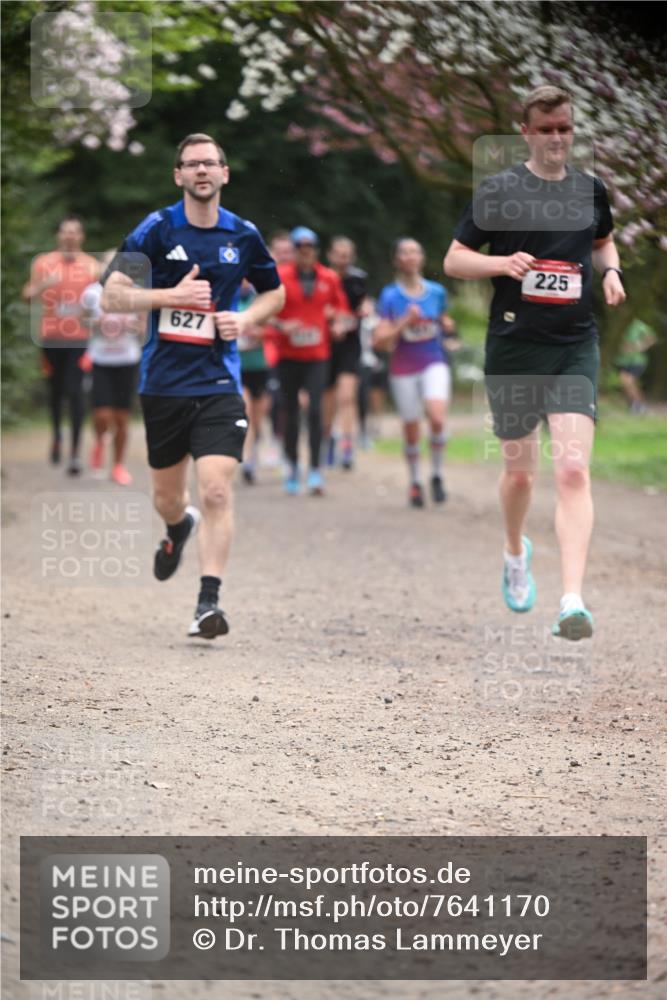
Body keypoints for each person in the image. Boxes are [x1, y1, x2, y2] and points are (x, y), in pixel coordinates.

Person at [444, 84, 626, 641]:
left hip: (575, 343)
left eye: (564, 128)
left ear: (573, 131)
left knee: (572, 470)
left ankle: (572, 599)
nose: (555, 138)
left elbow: (603, 242)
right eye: (545, 129)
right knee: (521, 474)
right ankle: (514, 549)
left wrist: (612, 271)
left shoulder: (590, 190)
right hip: (515, 346)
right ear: (525, 133)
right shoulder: (499, 191)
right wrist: (500, 264)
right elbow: (453, 260)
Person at [102, 133, 284, 638]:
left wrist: (245, 320)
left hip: (220, 381)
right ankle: (177, 526)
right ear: (178, 176)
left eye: (210, 163)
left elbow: (275, 293)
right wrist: (170, 295)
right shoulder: (157, 229)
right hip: (163, 383)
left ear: (225, 173)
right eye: (191, 164)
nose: (202, 171)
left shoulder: (243, 235)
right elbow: (112, 297)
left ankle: (208, 602)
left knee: (217, 490)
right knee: (167, 497)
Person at [267, 226, 351, 496]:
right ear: (293, 251)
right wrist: (281, 326)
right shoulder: (278, 277)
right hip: (288, 356)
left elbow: (342, 310)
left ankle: (315, 470)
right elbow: (264, 312)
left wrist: (337, 322)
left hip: (317, 355)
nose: (305, 254)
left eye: (310, 249)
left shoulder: (329, 277)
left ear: (315, 251)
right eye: (300, 250)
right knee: (290, 412)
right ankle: (292, 466)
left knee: (315, 411)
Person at [374, 238, 457, 508]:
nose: (410, 257)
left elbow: (445, 325)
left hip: (434, 361)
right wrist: (403, 323)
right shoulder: (390, 296)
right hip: (403, 367)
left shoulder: (437, 292)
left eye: (414, 252)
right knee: (411, 429)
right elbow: (380, 341)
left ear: (421, 258)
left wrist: (447, 326)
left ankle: (436, 474)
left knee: (436, 417)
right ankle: (414, 482)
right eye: (404, 253)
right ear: (397, 260)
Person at [22, 216, 99, 474]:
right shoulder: (44, 263)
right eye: (65, 232)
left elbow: (102, 301)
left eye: (75, 232)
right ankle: (57, 436)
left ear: (81, 237)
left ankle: (75, 453)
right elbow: (27, 297)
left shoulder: (91, 267)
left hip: (80, 339)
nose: (69, 236)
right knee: (55, 393)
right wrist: (46, 283)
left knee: (76, 393)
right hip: (51, 338)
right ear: (59, 236)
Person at [80, 253, 144, 485]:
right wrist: (97, 323)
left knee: (122, 418)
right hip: (100, 360)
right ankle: (99, 440)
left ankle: (118, 465)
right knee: (102, 414)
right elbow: (82, 321)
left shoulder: (136, 292)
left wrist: (134, 326)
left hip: (127, 361)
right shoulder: (91, 293)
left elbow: (144, 330)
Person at [322, 236, 369, 469]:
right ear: (330, 255)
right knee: (328, 398)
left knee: (347, 397)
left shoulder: (359, 280)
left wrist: (366, 309)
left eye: (347, 254)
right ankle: (328, 439)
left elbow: (365, 304)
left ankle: (347, 445)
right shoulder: (321, 278)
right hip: (325, 345)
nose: (343, 258)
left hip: (350, 345)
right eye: (339, 254)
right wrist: (331, 321)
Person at [237, 279, 271, 483]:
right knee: (246, 411)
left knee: (258, 420)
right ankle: (248, 460)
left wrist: (260, 334)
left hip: (260, 367)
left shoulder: (261, 300)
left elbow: (274, 330)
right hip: (238, 368)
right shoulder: (228, 297)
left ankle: (254, 453)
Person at [614, 317, 657, 414]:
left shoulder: (638, 324)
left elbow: (652, 338)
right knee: (626, 383)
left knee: (627, 380)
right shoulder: (618, 323)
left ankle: (641, 405)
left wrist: (640, 346)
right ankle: (634, 404)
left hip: (637, 360)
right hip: (623, 360)